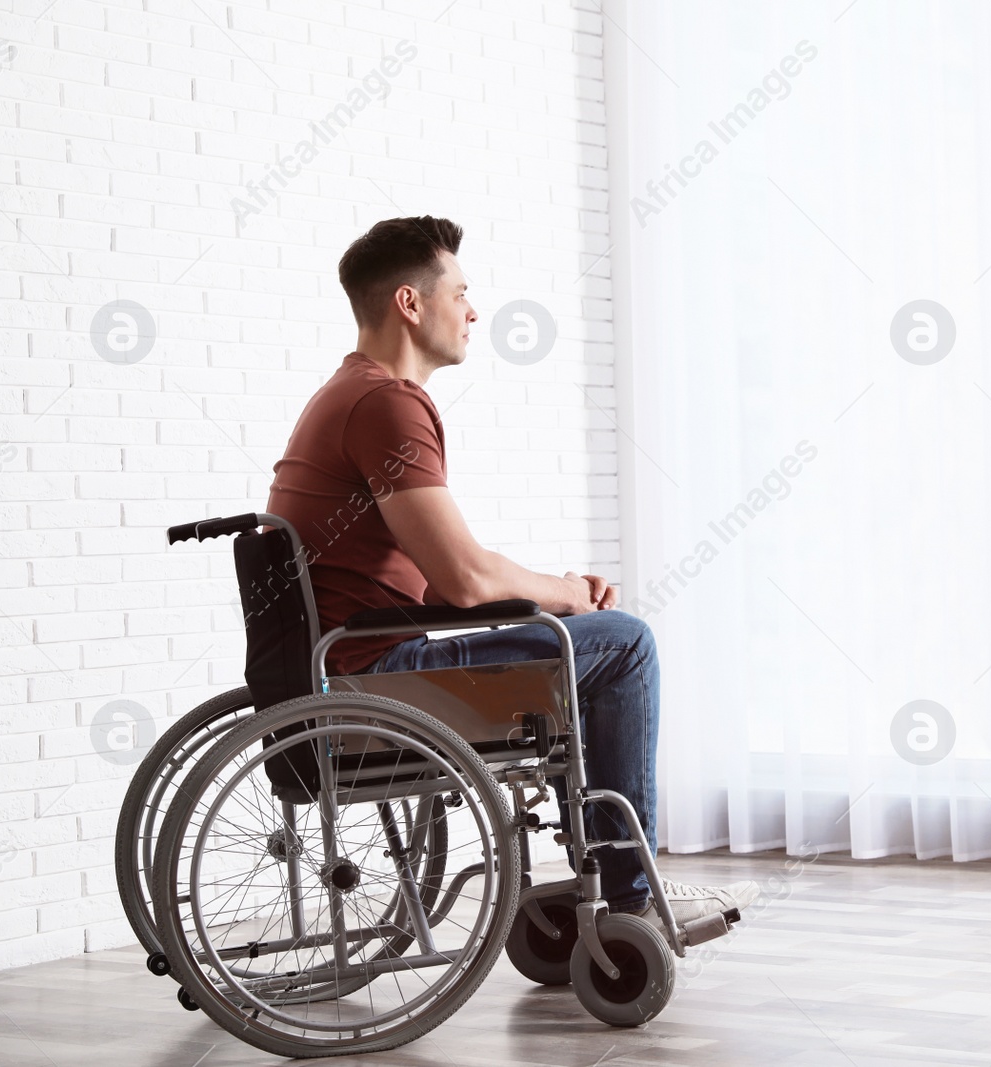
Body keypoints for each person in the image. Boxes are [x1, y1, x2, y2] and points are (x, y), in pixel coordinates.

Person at [263, 215, 756, 931]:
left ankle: (607, 877)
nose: (472, 310)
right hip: (376, 681)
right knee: (625, 643)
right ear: (410, 303)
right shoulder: (385, 404)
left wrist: (549, 598)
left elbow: (436, 585)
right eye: (460, 292)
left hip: (349, 666)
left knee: (578, 633)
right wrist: (569, 592)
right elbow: (462, 581)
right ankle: (630, 895)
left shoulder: (349, 394)